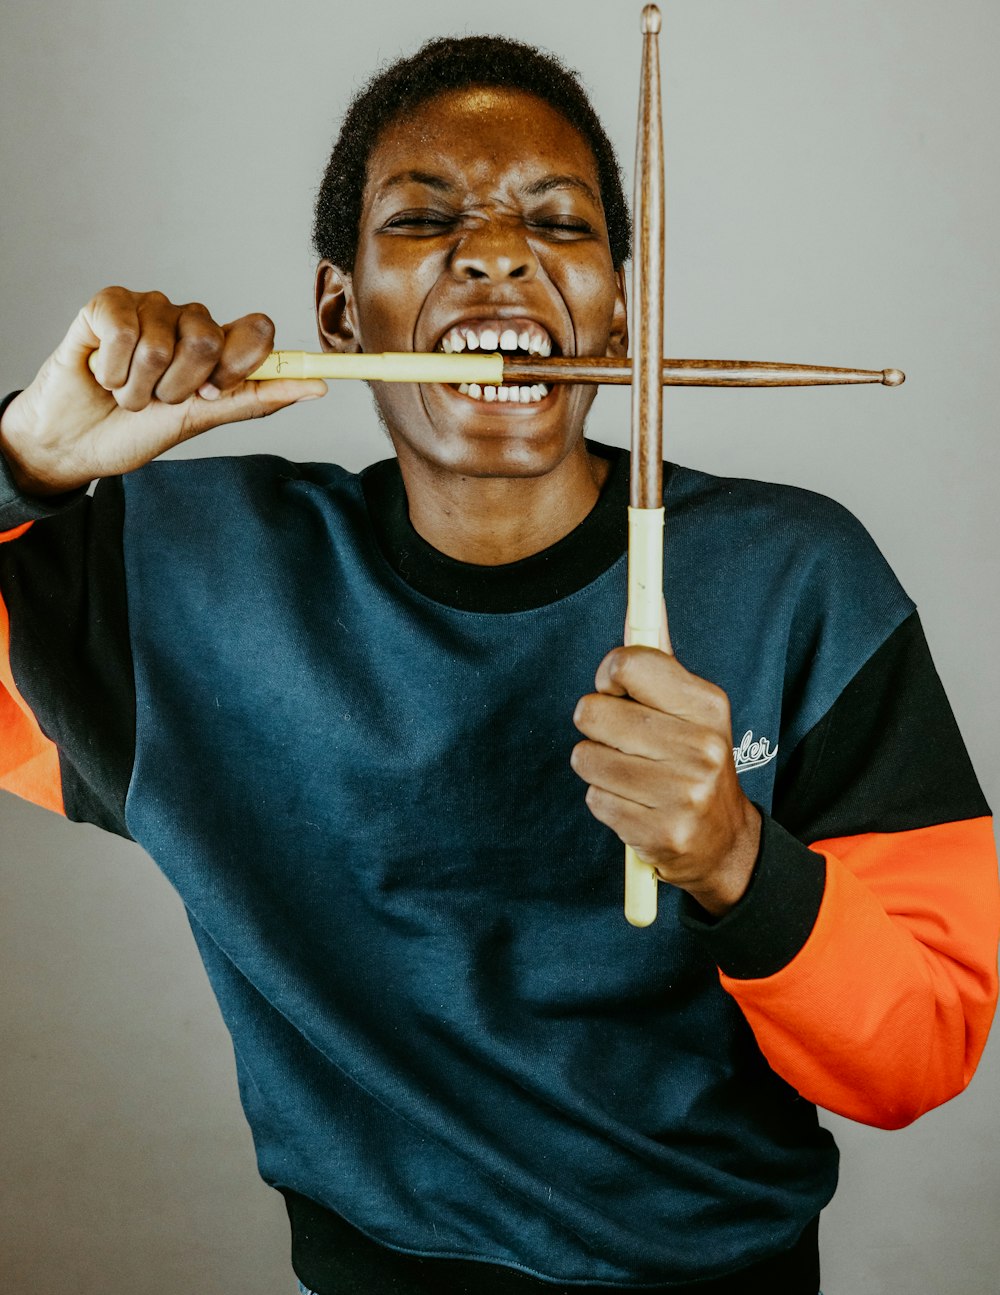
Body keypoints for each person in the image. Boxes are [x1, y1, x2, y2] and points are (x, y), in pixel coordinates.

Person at [0, 34, 996, 1295]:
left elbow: (922, 1049)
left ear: (618, 307)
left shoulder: (798, 575)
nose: (495, 250)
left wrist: (735, 860)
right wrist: (24, 460)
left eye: (559, 223)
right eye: (424, 218)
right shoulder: (179, 573)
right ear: (338, 312)